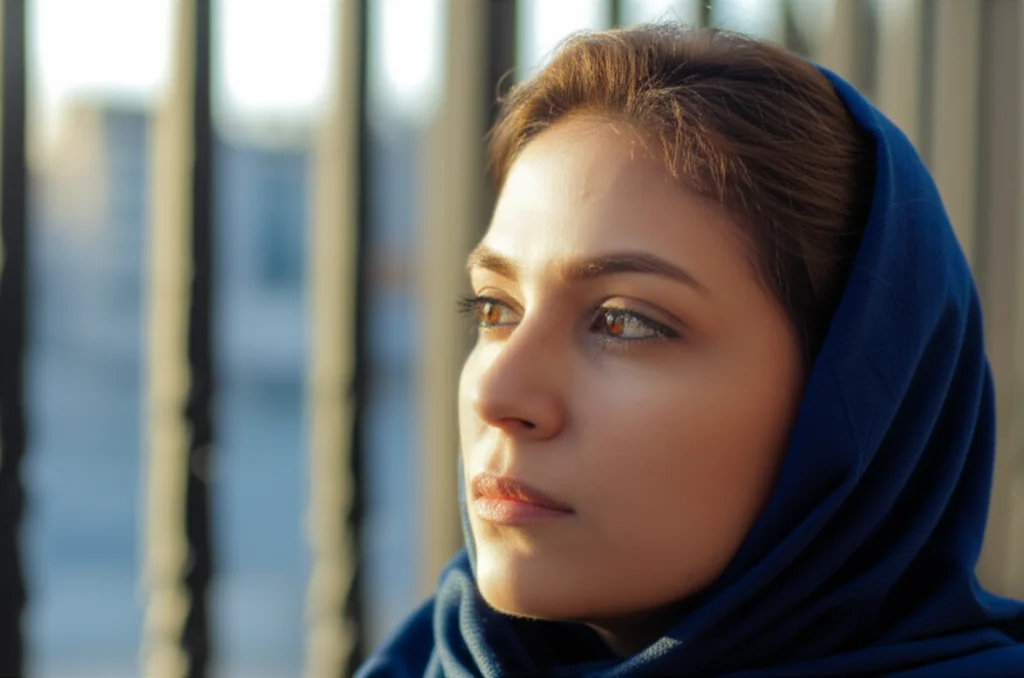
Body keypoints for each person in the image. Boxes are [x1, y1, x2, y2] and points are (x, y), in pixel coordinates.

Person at [357, 24, 1024, 677]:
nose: (496, 394)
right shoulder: (430, 662)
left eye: (623, 323)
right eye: (495, 309)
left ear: (851, 400)